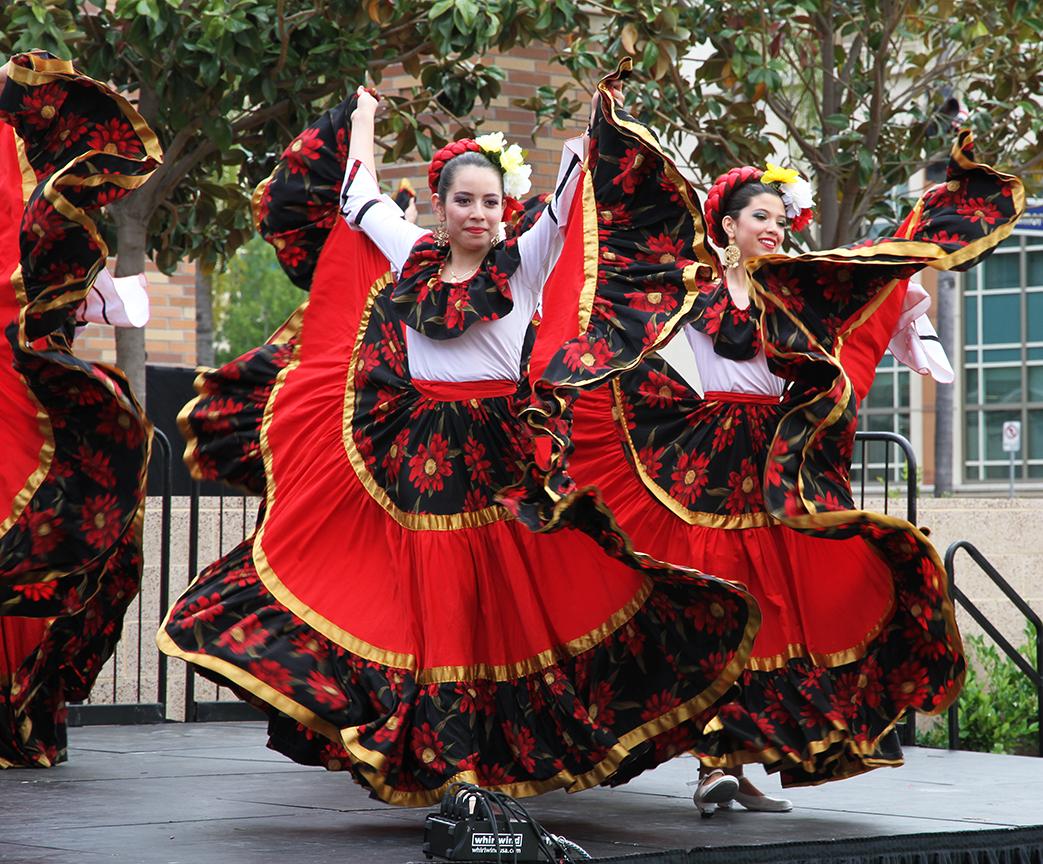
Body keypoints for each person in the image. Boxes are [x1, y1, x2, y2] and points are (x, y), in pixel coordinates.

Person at [159, 83, 759, 807]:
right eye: (465, 201)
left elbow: (572, 197)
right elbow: (356, 195)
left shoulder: (524, 262)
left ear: (506, 209)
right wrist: (365, 120)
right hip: (424, 455)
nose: (479, 214)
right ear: (440, 207)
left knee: (506, 604)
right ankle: (454, 769)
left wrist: (596, 127)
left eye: (491, 202)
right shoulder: (410, 254)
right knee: (439, 601)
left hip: (501, 453)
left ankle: (495, 756)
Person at [513, 63, 1023, 813]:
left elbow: (870, 290)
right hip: (697, 457)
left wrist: (909, 312)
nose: (773, 228)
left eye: (779, 219)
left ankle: (737, 760)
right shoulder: (691, 289)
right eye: (760, 218)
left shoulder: (795, 290)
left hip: (775, 462)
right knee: (715, 600)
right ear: (725, 225)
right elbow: (629, 328)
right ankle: (711, 763)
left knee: (780, 602)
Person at [0, 52, 159, 767]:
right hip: (19, 369)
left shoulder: (16, 160)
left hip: (19, 374)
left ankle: (21, 712)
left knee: (33, 532)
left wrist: (77, 305)